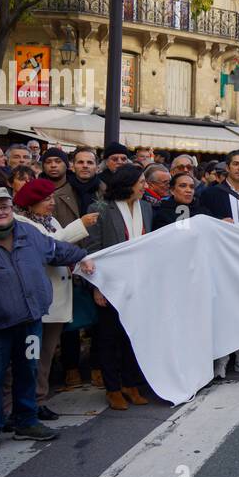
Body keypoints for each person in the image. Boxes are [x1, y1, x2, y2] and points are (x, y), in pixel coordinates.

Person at [0, 188, 92, 464]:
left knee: (28, 371)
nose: (0, 211)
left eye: (4, 205)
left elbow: (57, 250)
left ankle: (26, 420)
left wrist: (81, 255)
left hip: (29, 321)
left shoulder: (29, 234)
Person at [13, 178, 99, 419]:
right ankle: (25, 405)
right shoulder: (22, 223)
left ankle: (38, 400)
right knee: (31, 356)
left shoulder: (49, 220)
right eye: (46, 199)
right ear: (31, 203)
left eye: (51, 198)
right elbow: (51, 248)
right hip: (38, 301)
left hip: (57, 299)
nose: (51, 203)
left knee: (46, 355)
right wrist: (78, 226)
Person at [86, 166, 153, 410]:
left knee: (133, 336)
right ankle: (112, 388)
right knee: (108, 338)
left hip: (139, 283)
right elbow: (93, 249)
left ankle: (131, 383)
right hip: (110, 284)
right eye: (142, 182)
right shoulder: (100, 209)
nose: (145, 185)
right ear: (127, 183)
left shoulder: (146, 207)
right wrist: (98, 287)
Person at [53, 147, 103, 240]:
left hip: (100, 250)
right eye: (80, 162)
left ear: (97, 168)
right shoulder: (57, 197)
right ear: (72, 167)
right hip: (70, 249)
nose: (85, 166)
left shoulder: (108, 194)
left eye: (90, 162)